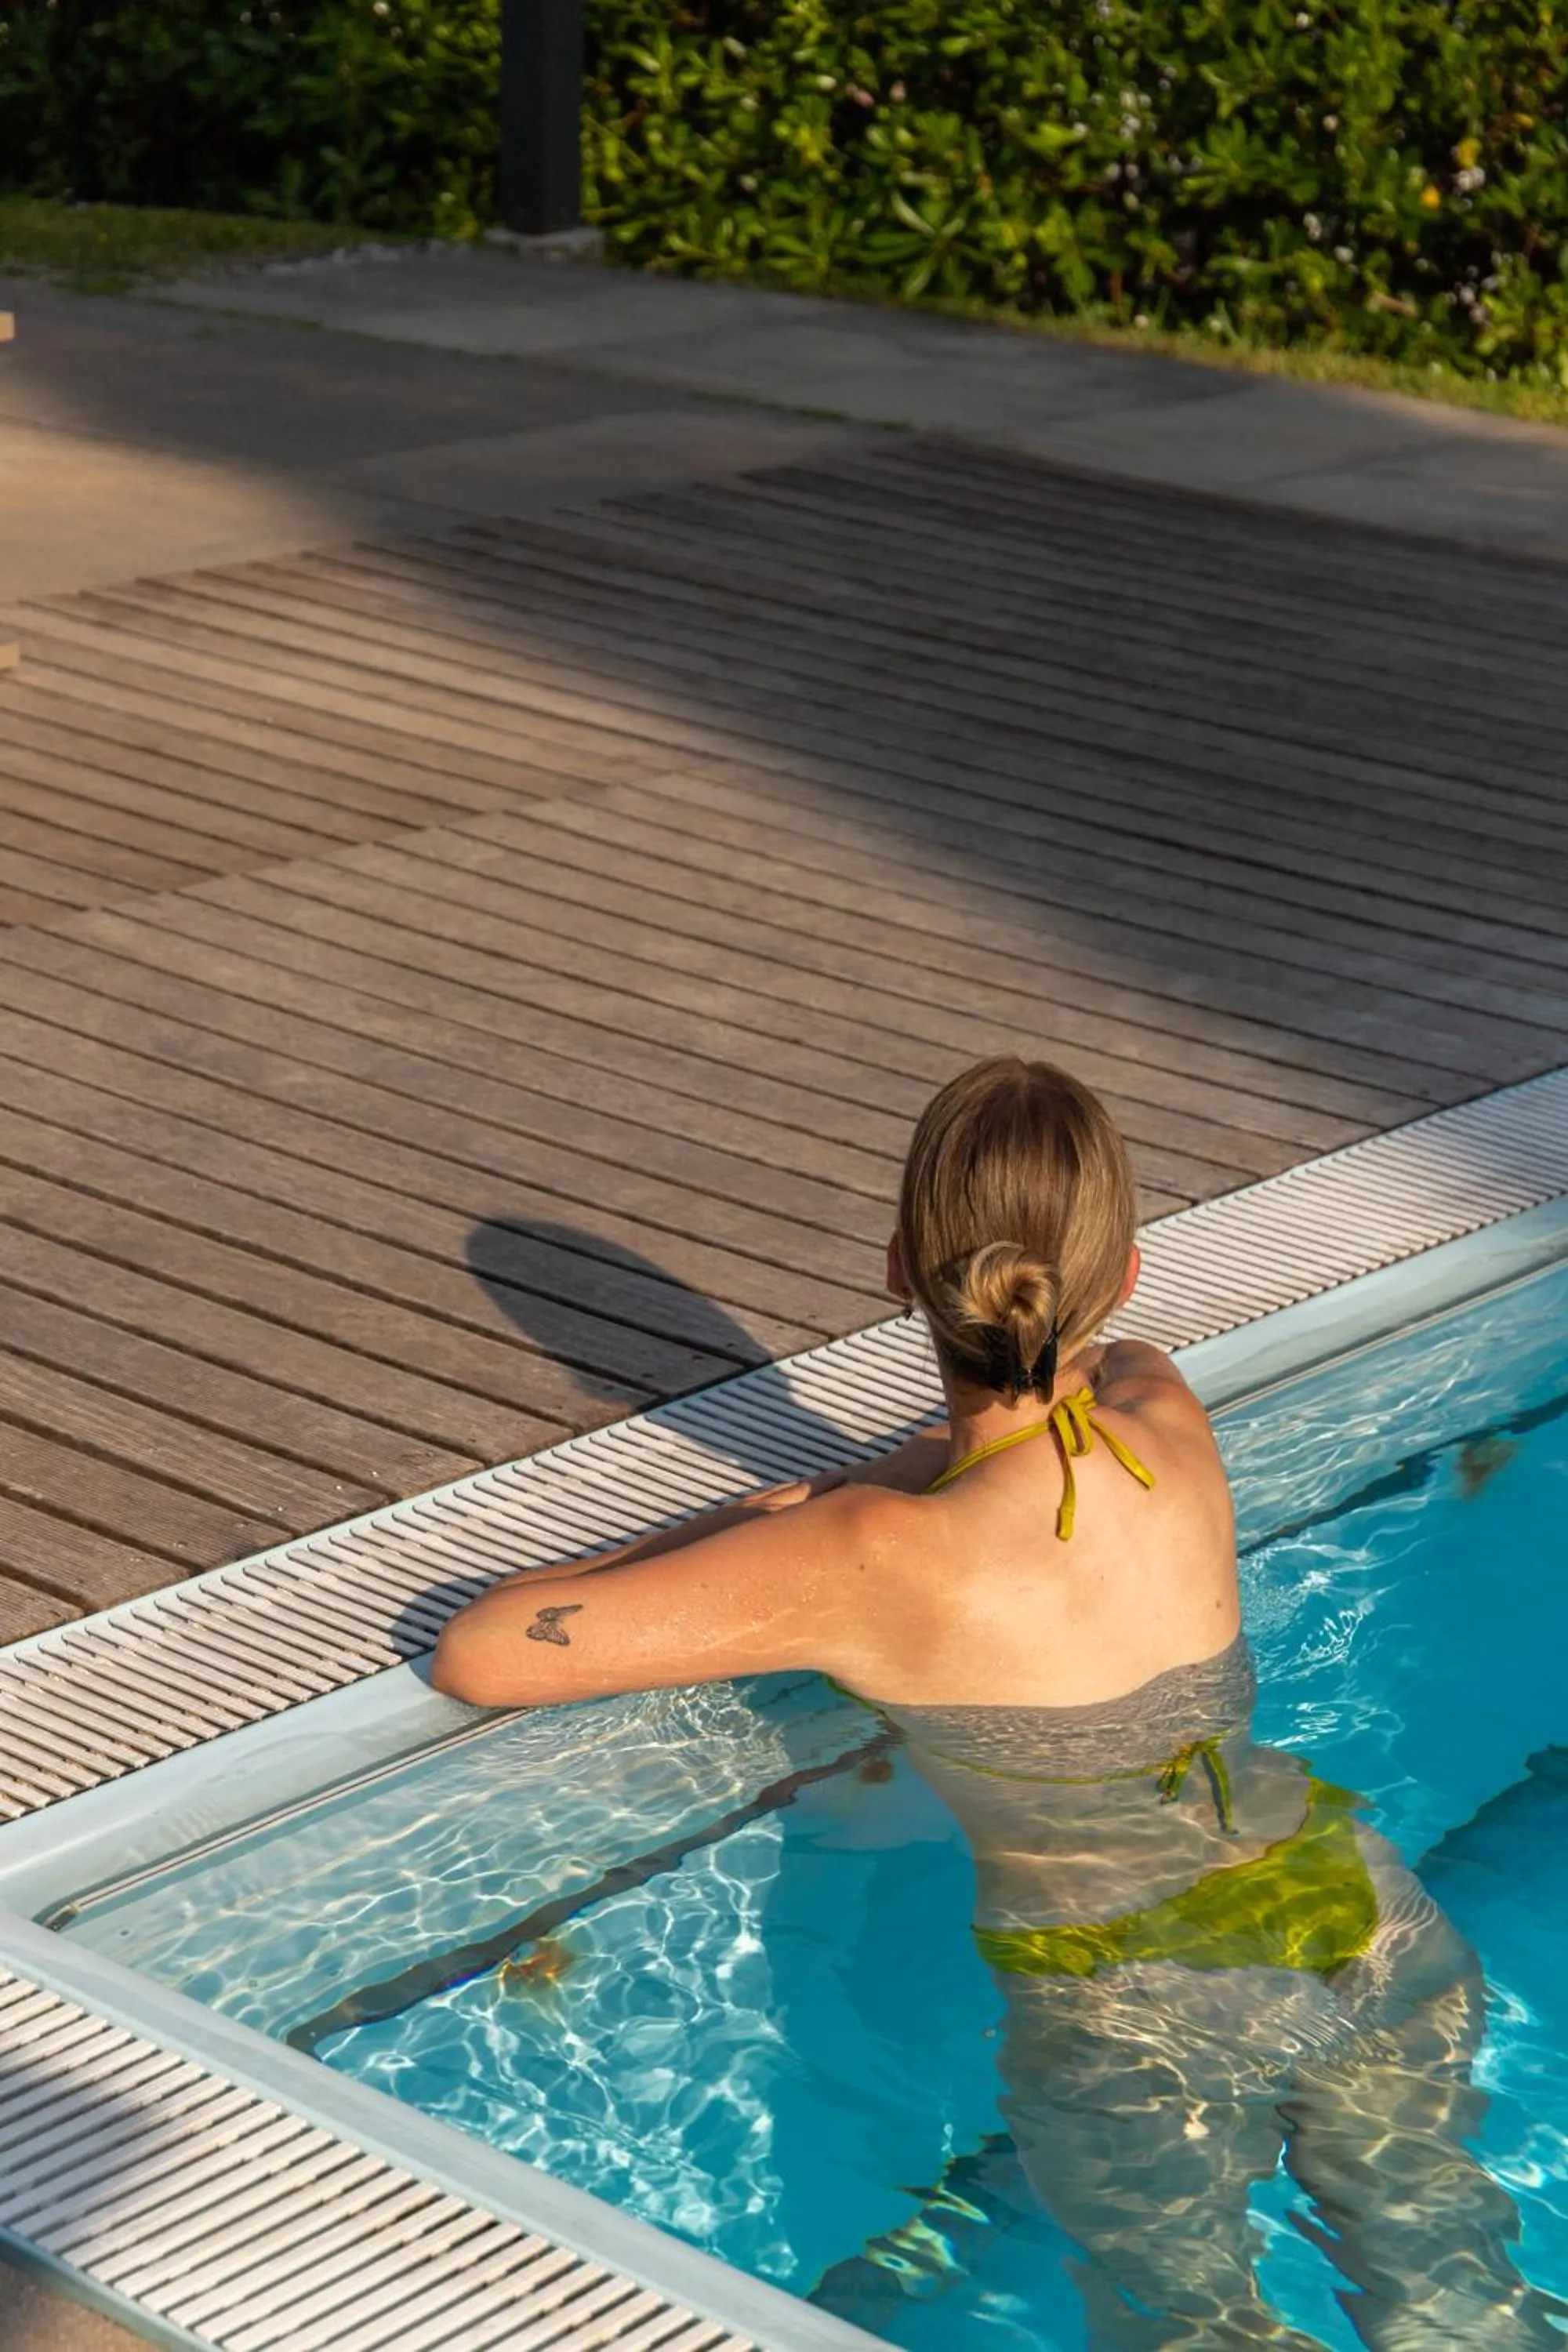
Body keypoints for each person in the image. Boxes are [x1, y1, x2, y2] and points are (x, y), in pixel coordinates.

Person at [434, 1056, 1557, 2350]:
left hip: (1130, 1995)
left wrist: (772, 1524)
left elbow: (483, 1649)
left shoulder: (868, 1558)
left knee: (1199, 2332)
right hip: (1353, 1908)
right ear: (1125, 1274)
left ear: (901, 1266)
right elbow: (1038, 1422)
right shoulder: (1161, 1407)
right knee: (1469, 2310)